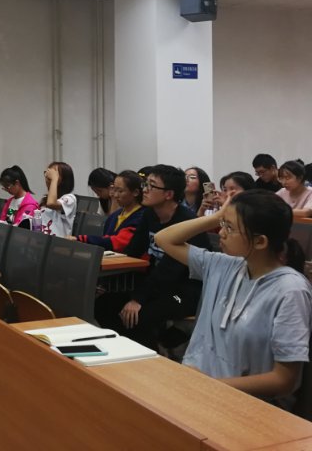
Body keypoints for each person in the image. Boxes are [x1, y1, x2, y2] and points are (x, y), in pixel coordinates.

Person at [154, 190, 311, 408]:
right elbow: (163, 239)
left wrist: (210, 386)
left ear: (260, 241)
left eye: (229, 228)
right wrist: (218, 216)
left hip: (244, 404)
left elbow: (284, 380)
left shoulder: (290, 291)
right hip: (194, 385)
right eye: (222, 224)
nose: (221, 232)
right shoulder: (224, 264)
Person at [94, 164, 210, 350]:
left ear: (168, 194)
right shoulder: (150, 214)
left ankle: (156, 355)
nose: (145, 190)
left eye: (151, 185)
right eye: (145, 184)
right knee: (104, 304)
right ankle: (135, 348)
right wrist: (107, 282)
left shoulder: (186, 222)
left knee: (140, 316)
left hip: (185, 291)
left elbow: (169, 271)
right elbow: (132, 252)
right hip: (158, 285)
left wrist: (138, 299)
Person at [72, 170, 144, 252]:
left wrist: (81, 239)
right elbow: (106, 239)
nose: (115, 195)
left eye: (120, 191)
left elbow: (116, 242)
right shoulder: (114, 216)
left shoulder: (142, 217)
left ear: (135, 192)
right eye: (114, 190)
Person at [40, 161, 77, 238]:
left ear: (64, 179)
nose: (48, 176)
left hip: (59, 242)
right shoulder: (45, 199)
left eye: (54, 174)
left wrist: (54, 179)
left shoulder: (70, 198)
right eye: (48, 172)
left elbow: (51, 204)